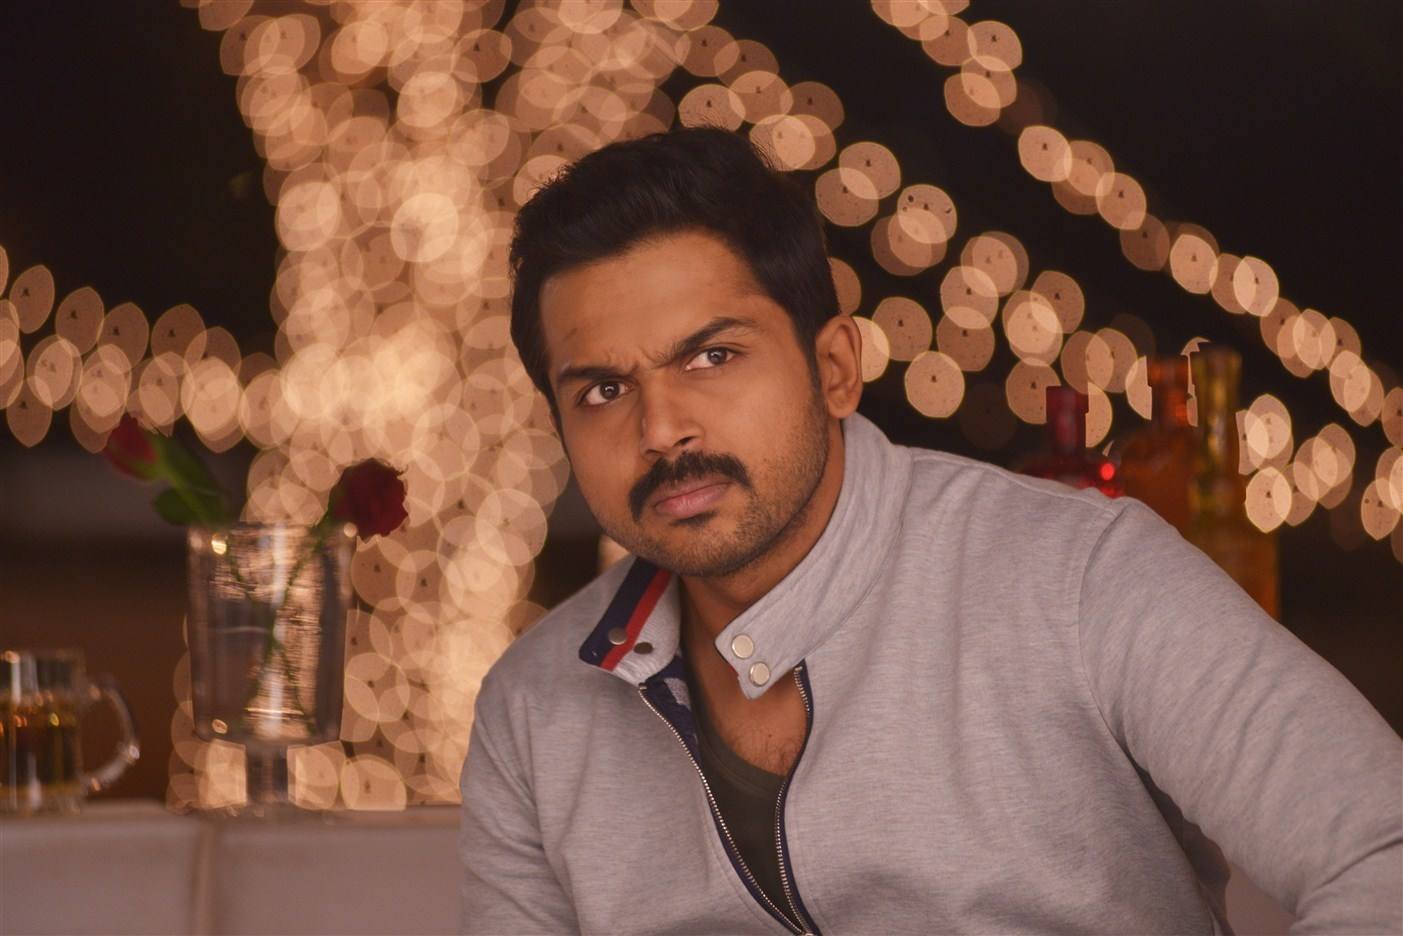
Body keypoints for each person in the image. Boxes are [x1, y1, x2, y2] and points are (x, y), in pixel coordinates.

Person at [458, 126, 1401, 934]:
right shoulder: (534, 709)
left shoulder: (1079, 579)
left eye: (712, 356)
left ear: (835, 368)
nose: (661, 428)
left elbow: (1381, 852)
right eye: (603, 390)